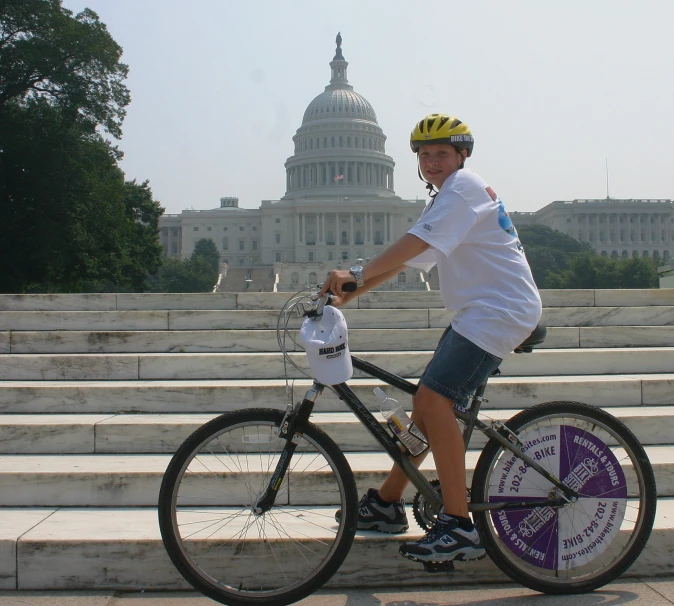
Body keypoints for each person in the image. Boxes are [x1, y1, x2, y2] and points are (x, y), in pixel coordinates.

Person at [319, 113, 542, 564]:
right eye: (424, 155)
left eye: (442, 153)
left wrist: (355, 273)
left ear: (462, 155)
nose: (432, 162)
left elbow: (409, 248)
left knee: (435, 402)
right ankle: (386, 503)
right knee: (424, 405)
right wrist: (347, 294)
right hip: (479, 313)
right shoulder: (447, 200)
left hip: (497, 313)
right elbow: (407, 261)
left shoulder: (464, 189)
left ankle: (460, 525)